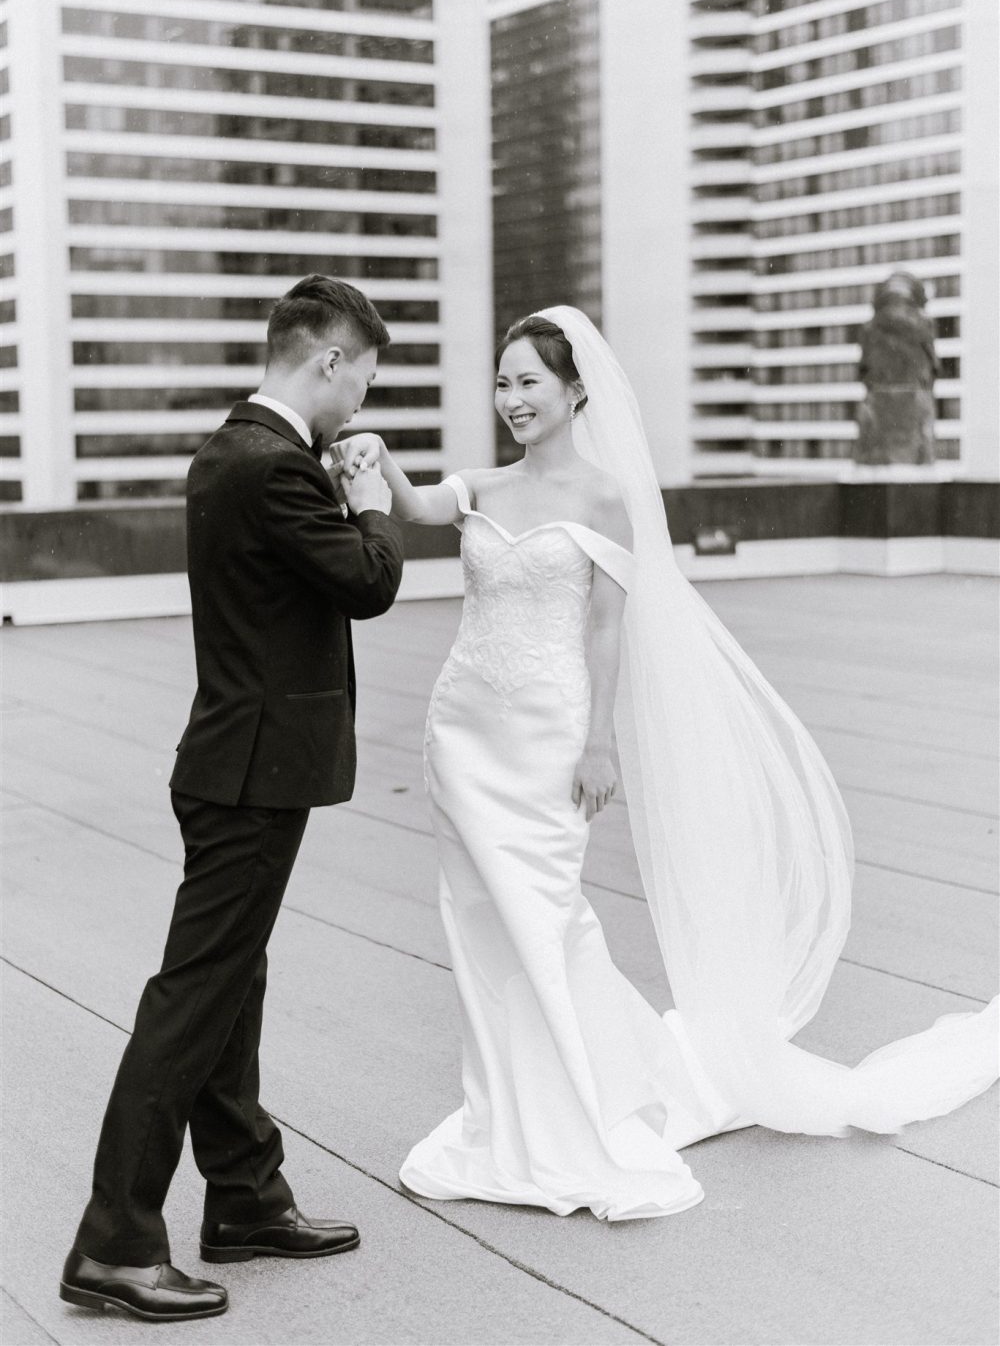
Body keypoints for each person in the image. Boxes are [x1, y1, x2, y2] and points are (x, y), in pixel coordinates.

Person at [335, 306, 998, 1222]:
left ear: (575, 391)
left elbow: (608, 626)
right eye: (502, 381)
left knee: (548, 919)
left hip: (549, 740)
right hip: (463, 738)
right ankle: (507, 1118)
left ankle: (583, 1118)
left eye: (530, 381)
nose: (512, 398)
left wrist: (599, 739)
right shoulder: (483, 485)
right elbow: (411, 511)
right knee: (481, 930)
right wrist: (368, 459)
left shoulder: (607, 498)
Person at [61, 276, 404, 1321]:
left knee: (230, 983)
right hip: (252, 772)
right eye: (362, 381)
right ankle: (113, 1241)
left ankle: (246, 1197)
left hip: (233, 761)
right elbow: (368, 579)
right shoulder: (275, 467)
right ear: (328, 361)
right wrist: (373, 496)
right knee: (195, 995)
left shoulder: (233, 449)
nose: (359, 409)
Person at [855, 271, 941, 465]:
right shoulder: (924, 325)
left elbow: (862, 371)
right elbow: (935, 368)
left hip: (878, 435)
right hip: (914, 421)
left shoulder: (869, 329)